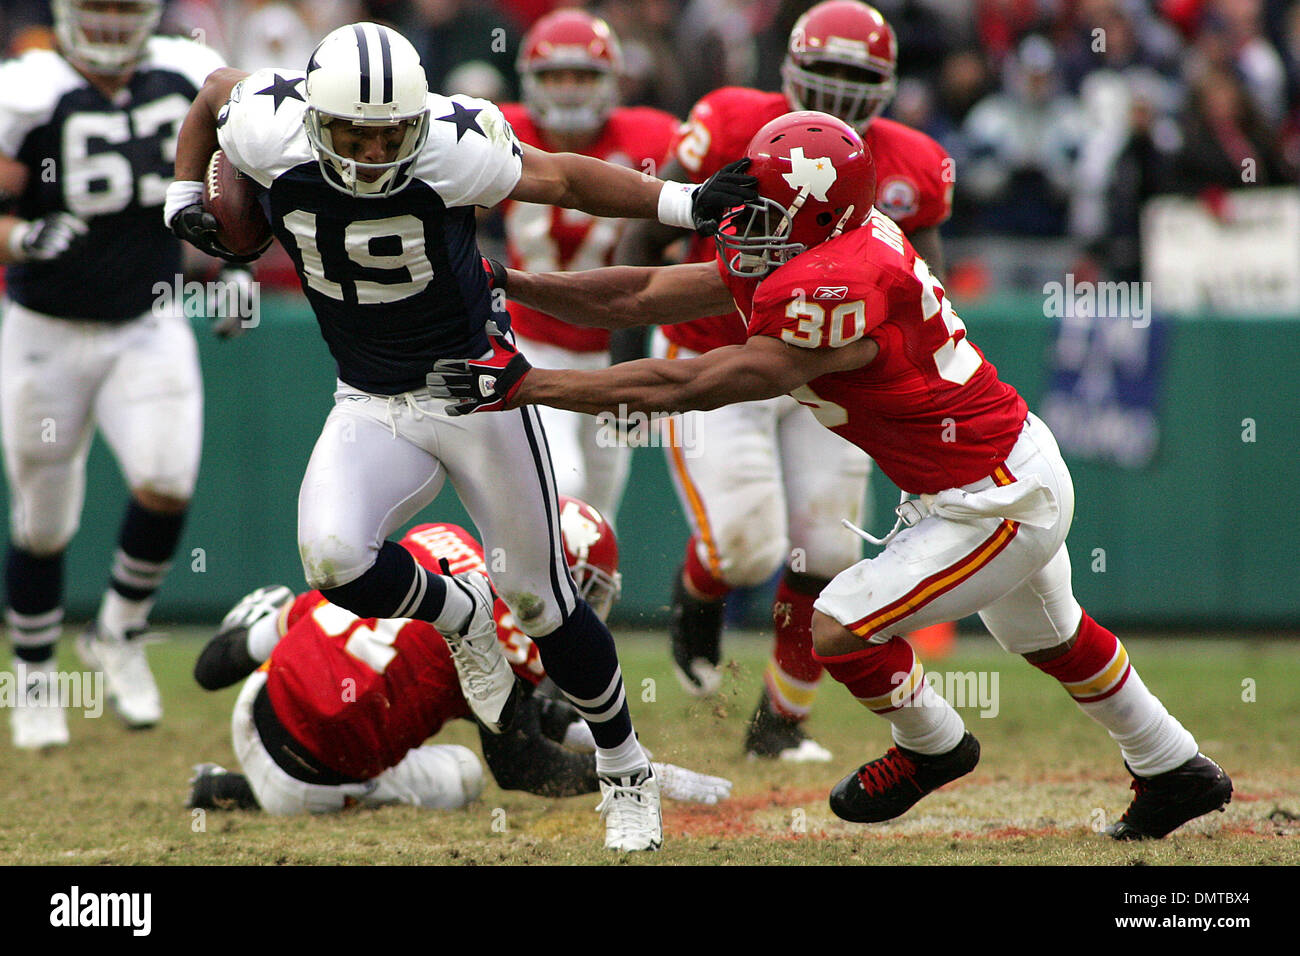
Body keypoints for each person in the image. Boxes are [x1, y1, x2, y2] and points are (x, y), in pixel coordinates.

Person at [427, 111, 1234, 841]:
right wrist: (517, 287)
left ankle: (933, 745)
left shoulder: (835, 283)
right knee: (1048, 635)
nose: (745, 221)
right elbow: (644, 290)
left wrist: (530, 384)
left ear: (814, 218)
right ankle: (1175, 768)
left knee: (842, 623)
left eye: (768, 209)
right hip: (992, 472)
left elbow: (692, 383)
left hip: (995, 496)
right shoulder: (815, 242)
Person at [164, 20, 751, 850]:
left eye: (388, 133)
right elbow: (215, 90)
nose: (371, 152)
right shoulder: (269, 120)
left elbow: (561, 178)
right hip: (369, 395)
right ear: (312, 119)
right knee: (333, 556)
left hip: (475, 388)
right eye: (352, 133)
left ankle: (626, 773)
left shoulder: (455, 143)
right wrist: (181, 196)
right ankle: (459, 611)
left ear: (418, 119)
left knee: (543, 598)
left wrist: (684, 201)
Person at [615, 0, 954, 763]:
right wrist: (622, 356)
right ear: (791, 68)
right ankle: (700, 589)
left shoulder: (912, 164)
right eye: (824, 69)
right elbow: (647, 230)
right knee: (744, 546)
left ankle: (779, 723)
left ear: (888, 85)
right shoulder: (730, 124)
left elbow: (924, 286)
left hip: (828, 373)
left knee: (827, 550)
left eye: (854, 75)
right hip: (720, 358)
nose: (836, 88)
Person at [0, 0, 236, 749]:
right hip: (46, 330)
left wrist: (220, 263)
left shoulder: (187, 74)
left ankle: (119, 634)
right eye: (94, 9)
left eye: (121, 9)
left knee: (166, 480)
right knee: (43, 520)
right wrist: (24, 235)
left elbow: (225, 187)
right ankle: (35, 675)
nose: (106, 25)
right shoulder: (28, 89)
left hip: (147, 320)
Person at [187, 501, 731, 816]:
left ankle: (262, 620)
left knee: (321, 612)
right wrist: (636, 775)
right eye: (585, 591)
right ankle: (242, 792)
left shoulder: (439, 537)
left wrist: (602, 738)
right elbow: (523, 768)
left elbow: (512, 709)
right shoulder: (514, 640)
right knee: (465, 774)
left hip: (258, 700)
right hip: (305, 785)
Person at [498, 10, 678, 522]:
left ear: (612, 82)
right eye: (555, 77)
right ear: (530, 82)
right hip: (530, 345)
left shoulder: (651, 137)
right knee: (562, 497)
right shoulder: (499, 129)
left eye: (583, 76)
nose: (570, 90)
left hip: (611, 357)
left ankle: (582, 604)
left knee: (598, 517)